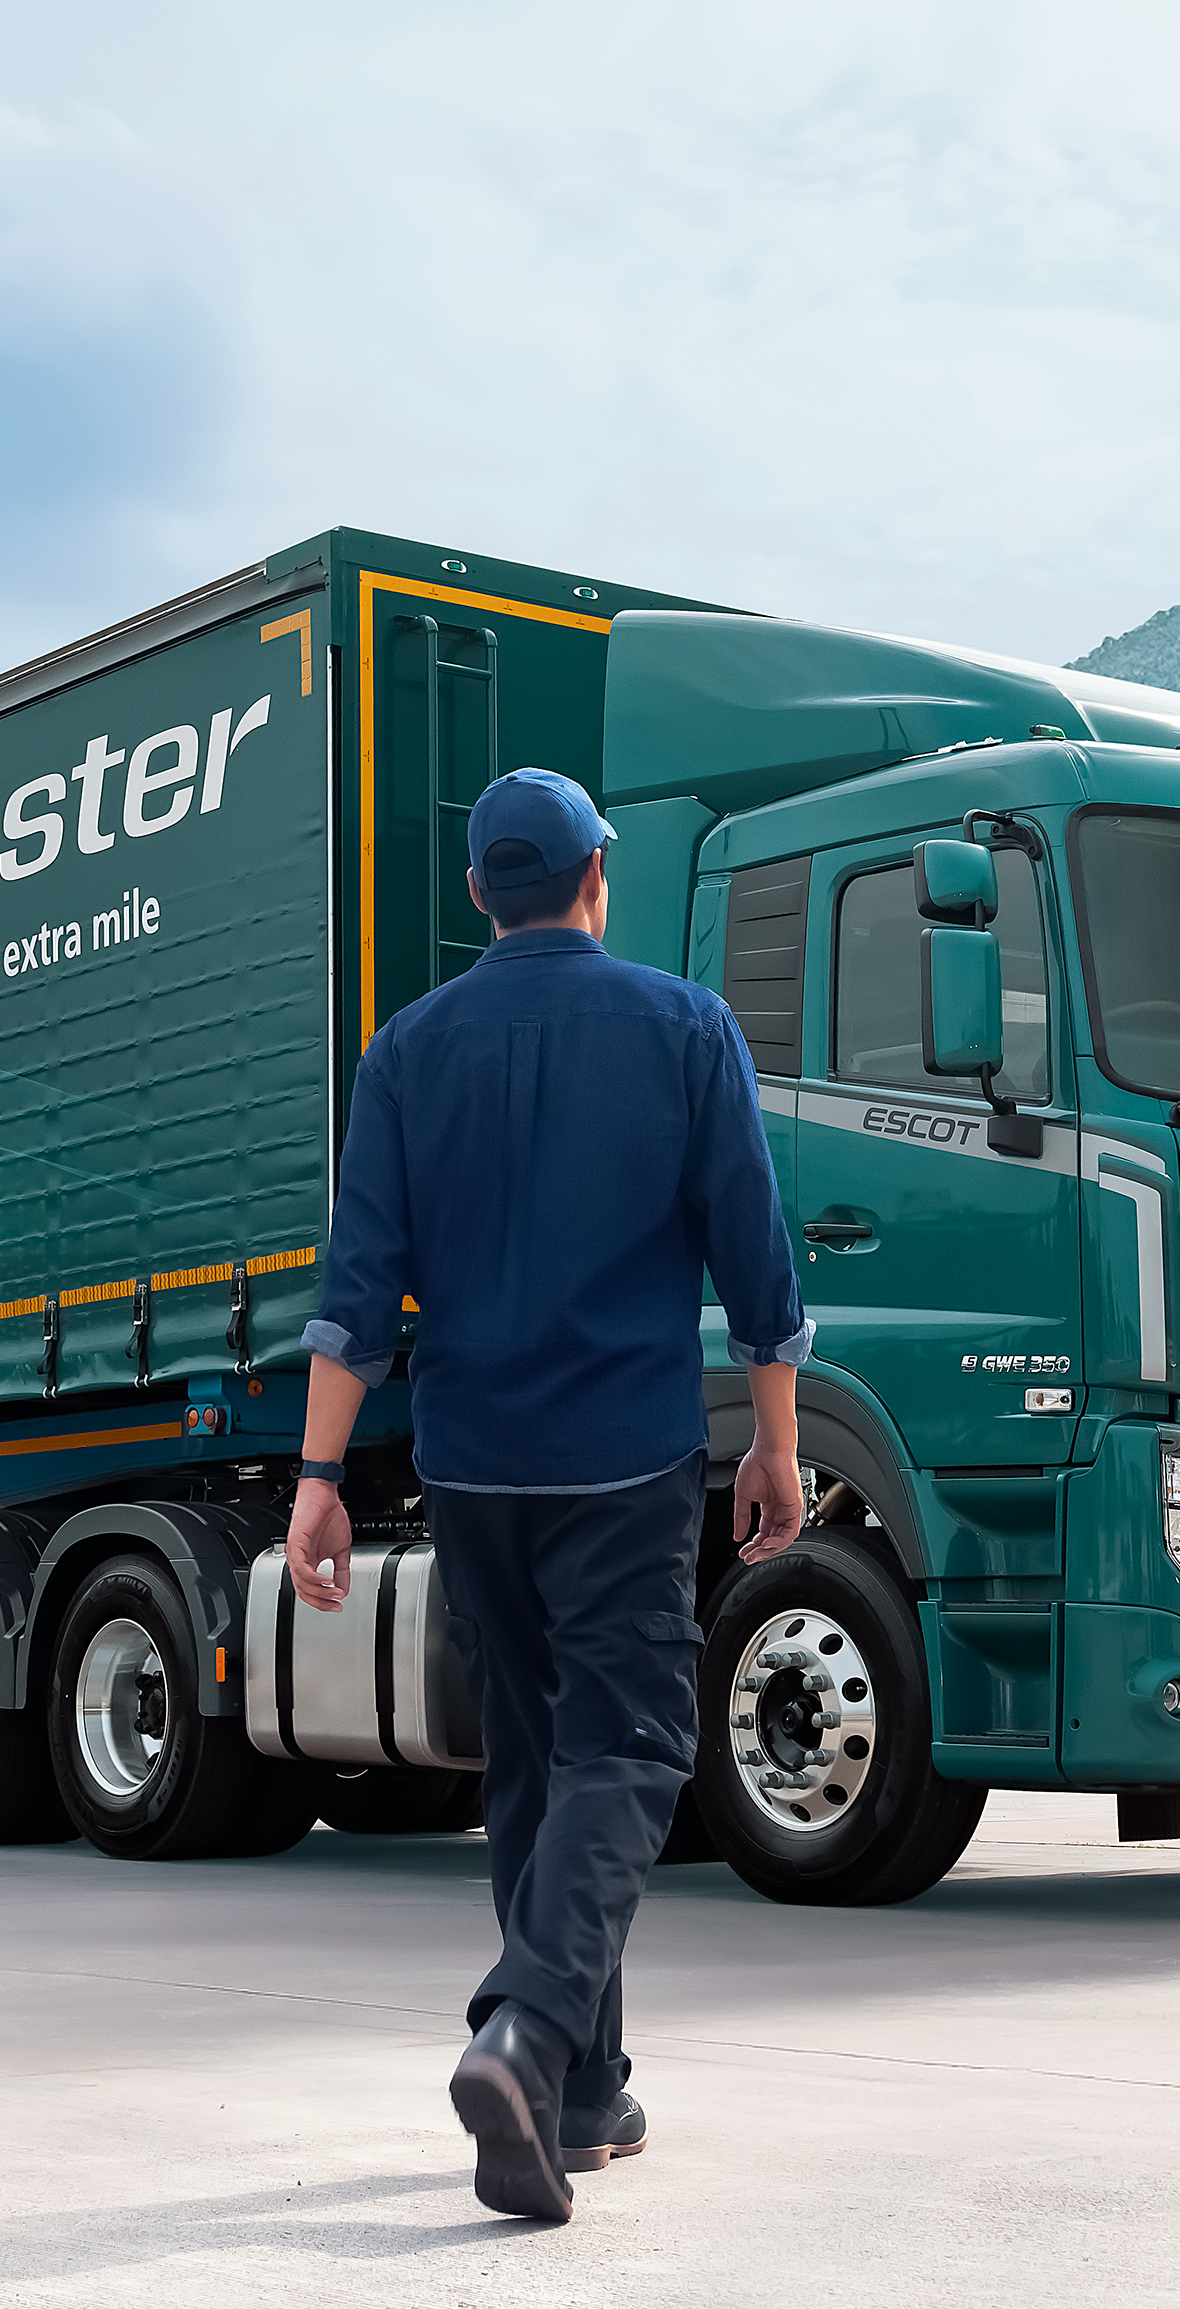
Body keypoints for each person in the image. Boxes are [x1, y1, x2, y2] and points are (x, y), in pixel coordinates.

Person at [287, 765, 810, 2225]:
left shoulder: (407, 1049)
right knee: (633, 1745)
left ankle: (581, 2088)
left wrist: (319, 1478)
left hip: (471, 1461)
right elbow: (757, 1264)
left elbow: (354, 1292)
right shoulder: (685, 1026)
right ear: (598, 874)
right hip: (626, 1455)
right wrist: (774, 1442)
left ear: (478, 894)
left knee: (537, 1762)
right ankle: (521, 2029)